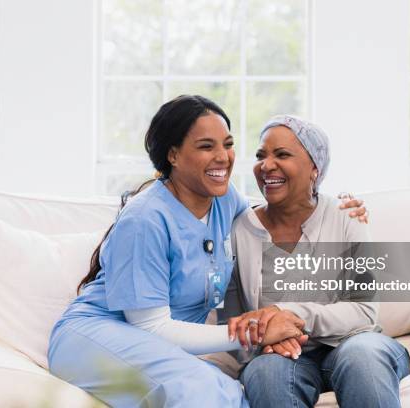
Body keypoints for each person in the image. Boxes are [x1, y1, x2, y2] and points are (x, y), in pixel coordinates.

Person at [47, 96, 368, 408]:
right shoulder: (145, 219)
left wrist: (336, 207)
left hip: (160, 346)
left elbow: (278, 211)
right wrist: (256, 332)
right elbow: (151, 327)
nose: (222, 156)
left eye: (227, 144)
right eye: (206, 146)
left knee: (228, 393)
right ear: (173, 155)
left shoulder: (224, 201)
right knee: (201, 391)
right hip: (95, 338)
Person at [223, 115, 410, 408]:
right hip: (281, 355)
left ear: (315, 168)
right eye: (261, 156)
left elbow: (364, 310)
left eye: (282, 154)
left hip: (353, 342)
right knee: (265, 372)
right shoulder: (240, 229)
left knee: (363, 358)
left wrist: (288, 316)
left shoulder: (347, 216)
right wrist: (267, 340)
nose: (266, 165)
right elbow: (233, 318)